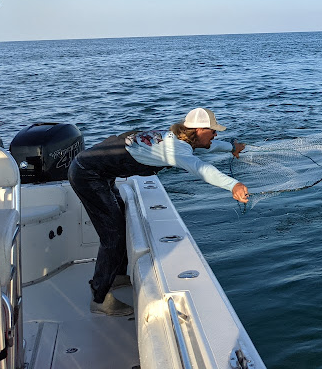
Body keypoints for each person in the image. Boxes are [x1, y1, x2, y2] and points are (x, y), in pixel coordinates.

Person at [68, 107, 249, 316]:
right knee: (113, 235)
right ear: (198, 130)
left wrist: (231, 147)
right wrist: (233, 185)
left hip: (97, 171)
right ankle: (99, 298)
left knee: (119, 222)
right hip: (87, 174)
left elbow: (206, 145)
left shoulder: (175, 139)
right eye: (213, 130)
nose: (216, 134)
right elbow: (201, 168)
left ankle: (116, 275)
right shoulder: (177, 149)